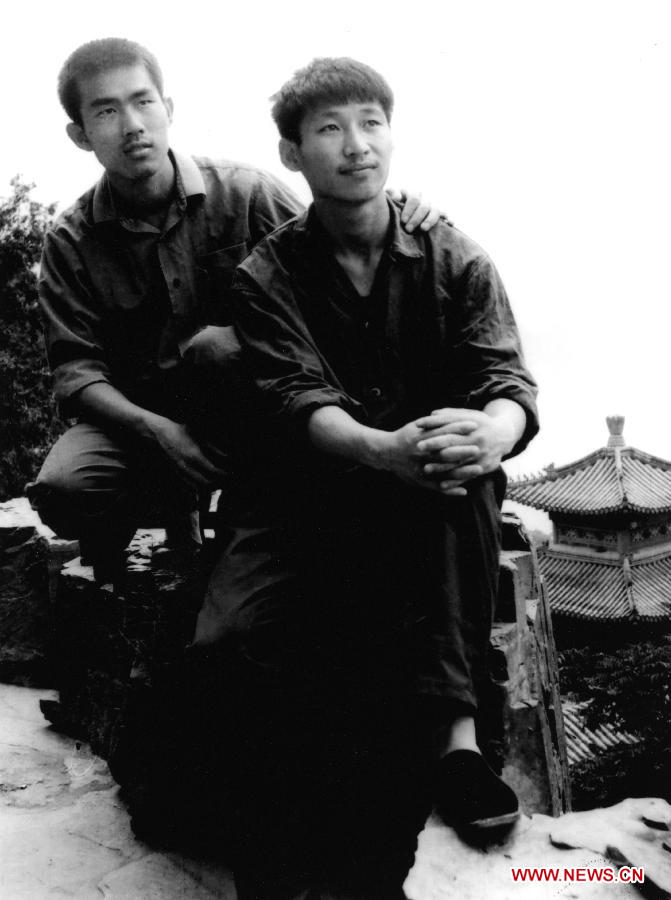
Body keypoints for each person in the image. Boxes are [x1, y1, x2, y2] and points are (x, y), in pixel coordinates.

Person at [192, 57, 539, 897]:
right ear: (291, 152)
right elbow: (297, 398)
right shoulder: (266, 275)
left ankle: (457, 750)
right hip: (314, 481)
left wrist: (493, 434)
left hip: (428, 475)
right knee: (226, 641)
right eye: (329, 129)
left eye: (370, 123)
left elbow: (507, 382)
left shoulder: (451, 253)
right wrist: (384, 452)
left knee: (463, 463)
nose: (356, 146)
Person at [27, 38, 439, 582]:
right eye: (106, 111)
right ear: (80, 134)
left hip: (253, 411)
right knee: (66, 490)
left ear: (168, 109)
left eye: (143, 101)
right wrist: (158, 432)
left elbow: (334, 253)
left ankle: (265, 521)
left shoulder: (245, 193)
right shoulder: (70, 241)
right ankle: (129, 541)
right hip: (142, 425)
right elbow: (77, 374)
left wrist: (400, 211)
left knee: (216, 349)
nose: (132, 125)